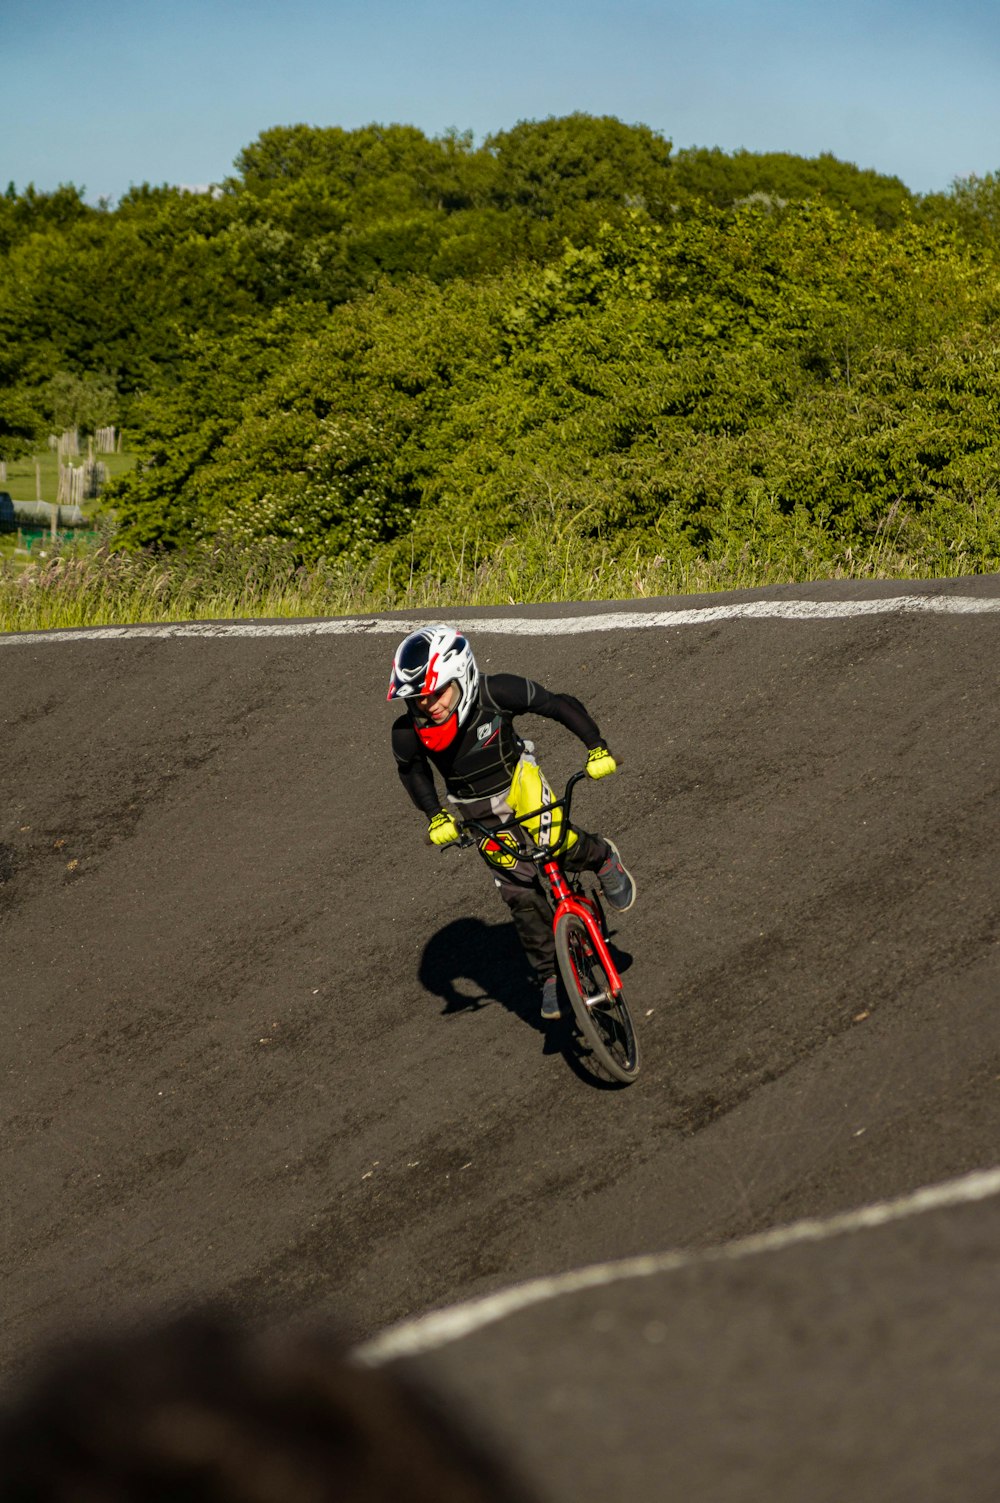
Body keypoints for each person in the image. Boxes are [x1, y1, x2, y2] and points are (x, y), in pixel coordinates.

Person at [388, 625, 636, 1021]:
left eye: (437, 693)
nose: (428, 705)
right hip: (474, 808)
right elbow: (412, 772)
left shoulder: (496, 691)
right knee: (517, 890)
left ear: (462, 675)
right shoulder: (407, 732)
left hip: (520, 780)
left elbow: (557, 704)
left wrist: (596, 747)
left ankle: (603, 858)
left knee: (556, 843)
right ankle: (552, 974)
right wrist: (435, 815)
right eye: (418, 698)